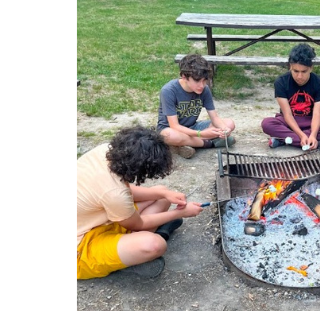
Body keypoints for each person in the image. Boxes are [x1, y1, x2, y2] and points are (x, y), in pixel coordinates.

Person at [77, 126, 205, 280]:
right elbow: (137, 223)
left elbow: (123, 191)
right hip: (81, 245)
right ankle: (128, 260)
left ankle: (130, 250)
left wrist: (164, 193)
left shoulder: (105, 151)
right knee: (154, 245)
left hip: (97, 218)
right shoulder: (114, 194)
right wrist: (181, 213)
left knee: (162, 196)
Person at [260, 43, 320, 150]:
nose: (299, 76)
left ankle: (284, 140)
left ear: (311, 68)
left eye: (304, 71)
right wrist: (302, 135)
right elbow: (287, 114)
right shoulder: (281, 82)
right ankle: (311, 143)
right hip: (288, 121)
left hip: (309, 122)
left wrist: (313, 135)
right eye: (295, 71)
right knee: (267, 123)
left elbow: (317, 113)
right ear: (290, 67)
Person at [157, 54, 236, 159]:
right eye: (197, 81)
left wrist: (224, 129)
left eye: (204, 80)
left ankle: (186, 144)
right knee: (169, 136)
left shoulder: (205, 90)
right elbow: (174, 126)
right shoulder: (168, 90)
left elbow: (215, 117)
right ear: (184, 77)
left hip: (193, 126)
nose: (202, 85)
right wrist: (201, 134)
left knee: (229, 123)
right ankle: (210, 143)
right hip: (171, 129)